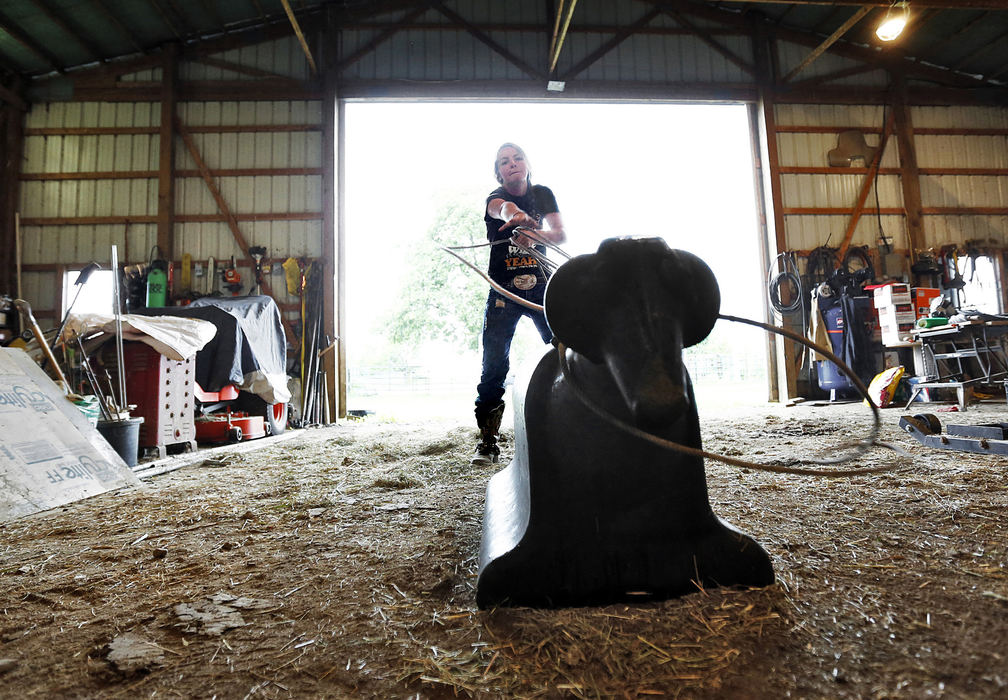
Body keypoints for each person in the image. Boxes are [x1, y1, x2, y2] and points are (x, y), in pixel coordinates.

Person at [473, 143, 567, 465]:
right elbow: (503, 210)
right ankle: (488, 441)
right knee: (494, 363)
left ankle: (576, 419)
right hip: (504, 291)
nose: (512, 164)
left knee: (566, 347)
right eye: (504, 162)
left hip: (542, 287)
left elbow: (560, 234)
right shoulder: (494, 199)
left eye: (517, 158)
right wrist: (517, 217)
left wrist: (536, 235)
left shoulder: (543, 194)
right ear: (499, 172)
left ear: (527, 164)